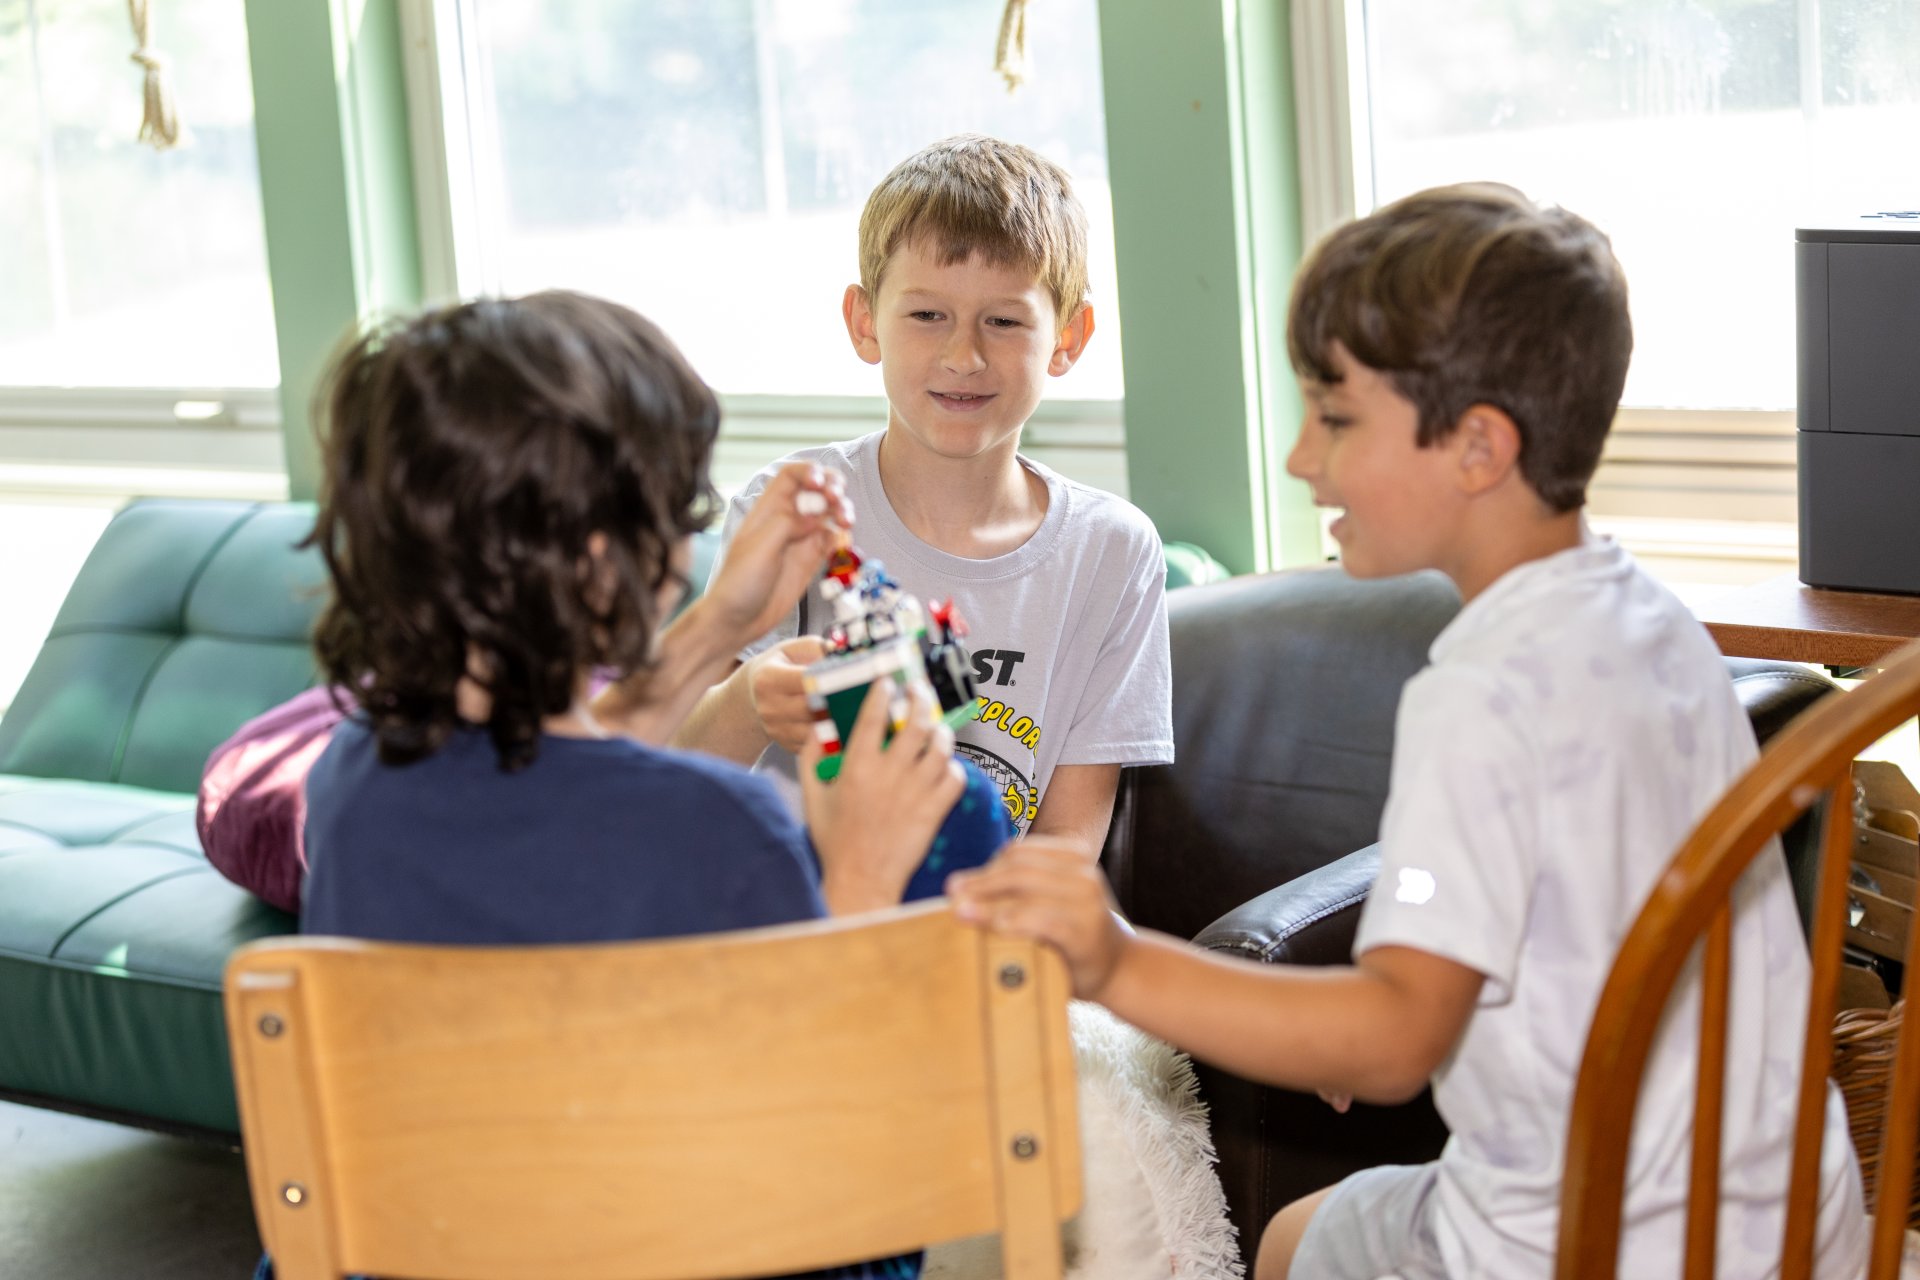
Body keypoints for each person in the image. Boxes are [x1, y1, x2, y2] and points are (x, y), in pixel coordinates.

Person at [948, 184, 1869, 1279]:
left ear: (1478, 447)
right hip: (1784, 1210)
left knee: (1292, 1240)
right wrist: (1351, 1006)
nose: (1302, 459)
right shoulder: (1653, 621)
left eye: (1335, 419)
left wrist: (1113, 957)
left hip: (1583, 1243)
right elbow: (1562, 908)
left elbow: (1392, 1044)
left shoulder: (1481, 693)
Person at [279, 289, 959, 1280]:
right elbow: (827, 1171)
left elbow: (547, 774)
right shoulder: (721, 827)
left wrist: (717, 629)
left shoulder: (353, 778)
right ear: (605, 560)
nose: (688, 546)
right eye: (682, 510)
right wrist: (859, 876)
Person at [673, 134, 1173, 856]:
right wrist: (753, 699)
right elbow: (687, 783)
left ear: (1068, 337)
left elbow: (1068, 841)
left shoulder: (1112, 551)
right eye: (926, 315)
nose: (963, 356)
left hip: (977, 933)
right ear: (863, 321)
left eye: (1003, 322)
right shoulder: (795, 510)